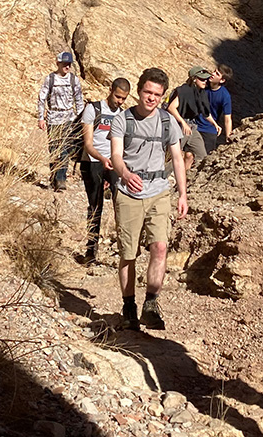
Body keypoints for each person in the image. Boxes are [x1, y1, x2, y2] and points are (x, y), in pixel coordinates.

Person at [110, 67, 188, 331]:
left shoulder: (168, 122)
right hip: (129, 193)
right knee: (128, 253)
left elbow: (177, 158)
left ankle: (151, 304)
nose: (151, 98)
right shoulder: (123, 120)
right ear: (139, 90)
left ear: (163, 96)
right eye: (147, 92)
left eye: (157, 94)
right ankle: (128, 305)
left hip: (159, 191)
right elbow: (117, 156)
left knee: (161, 247)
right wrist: (125, 173)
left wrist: (182, 193)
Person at [78, 77, 131, 264]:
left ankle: (126, 249)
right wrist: (102, 159)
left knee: (122, 202)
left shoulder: (123, 115)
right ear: (111, 90)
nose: (120, 101)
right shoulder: (93, 109)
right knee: (95, 205)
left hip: (114, 162)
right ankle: (91, 250)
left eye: (124, 98)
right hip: (93, 161)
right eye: (117, 96)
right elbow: (88, 143)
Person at [37, 51, 85, 191]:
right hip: (53, 118)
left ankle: (61, 179)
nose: (67, 67)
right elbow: (42, 99)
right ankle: (54, 178)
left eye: (69, 64)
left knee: (64, 149)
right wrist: (41, 118)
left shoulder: (73, 80)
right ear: (58, 63)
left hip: (68, 118)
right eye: (64, 64)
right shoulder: (50, 79)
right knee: (53, 149)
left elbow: (79, 99)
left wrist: (81, 118)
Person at [165, 66, 219, 175]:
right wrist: (183, 123)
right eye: (202, 79)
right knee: (174, 156)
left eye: (206, 79)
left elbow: (204, 112)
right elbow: (171, 108)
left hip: (192, 127)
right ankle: (161, 178)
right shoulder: (184, 91)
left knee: (202, 156)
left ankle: (189, 182)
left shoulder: (201, 93)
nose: (205, 81)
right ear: (194, 79)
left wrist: (214, 123)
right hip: (179, 127)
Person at [202, 64, 233, 154]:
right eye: (214, 71)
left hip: (209, 129)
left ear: (222, 80)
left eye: (217, 74)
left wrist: (228, 137)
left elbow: (227, 118)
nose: (213, 74)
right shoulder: (203, 83)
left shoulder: (225, 96)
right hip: (194, 124)